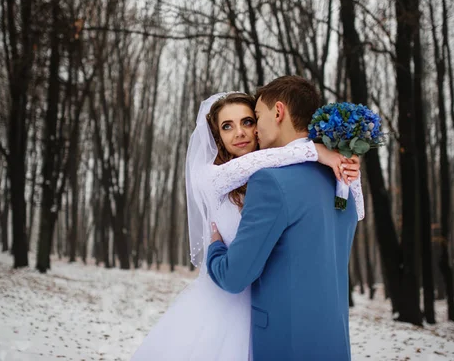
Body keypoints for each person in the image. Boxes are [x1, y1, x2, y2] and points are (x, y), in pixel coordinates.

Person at [131, 89, 364, 360]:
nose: (239, 133)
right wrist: (314, 150)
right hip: (225, 306)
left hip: (267, 309)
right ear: (217, 136)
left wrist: (347, 167)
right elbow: (262, 162)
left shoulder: (275, 177)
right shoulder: (209, 177)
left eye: (248, 121)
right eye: (227, 126)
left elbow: (354, 211)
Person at [207, 76, 360, 360]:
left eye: (257, 117)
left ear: (278, 112)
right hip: (334, 345)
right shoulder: (345, 183)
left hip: (285, 344)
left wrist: (215, 248)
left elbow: (233, 276)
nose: (255, 130)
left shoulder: (270, 182)